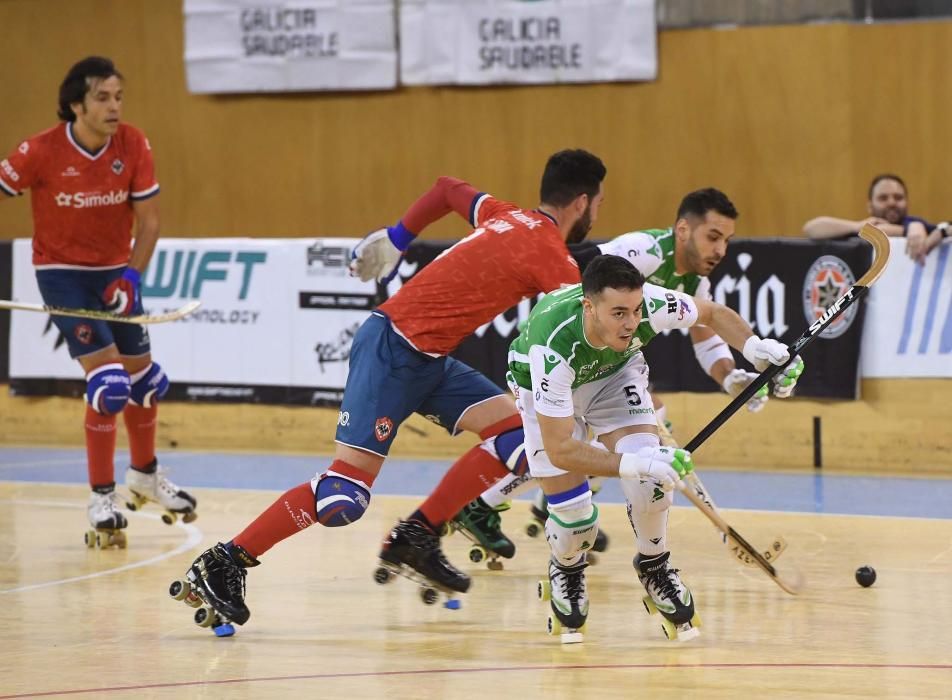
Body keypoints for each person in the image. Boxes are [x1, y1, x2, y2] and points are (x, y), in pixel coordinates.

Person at [178, 149, 607, 627]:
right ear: (583, 202)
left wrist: (398, 237)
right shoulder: (551, 254)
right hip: (391, 348)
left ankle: (417, 535)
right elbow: (588, 327)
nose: (597, 214)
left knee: (518, 439)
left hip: (429, 359)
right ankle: (226, 560)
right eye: (599, 205)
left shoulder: (506, 216)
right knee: (344, 496)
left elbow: (446, 187)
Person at [453, 188, 803, 559]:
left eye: (726, 241)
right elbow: (584, 285)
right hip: (567, 354)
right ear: (683, 230)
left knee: (633, 429)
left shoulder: (695, 281)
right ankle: (496, 501)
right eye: (712, 237)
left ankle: (527, 502)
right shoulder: (643, 252)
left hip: (608, 365)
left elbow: (707, 338)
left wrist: (732, 376)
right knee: (568, 443)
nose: (720, 250)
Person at [509, 254, 800, 643]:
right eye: (618, 313)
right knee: (576, 522)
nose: (631, 323)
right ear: (589, 307)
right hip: (542, 389)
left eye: (636, 310)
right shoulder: (554, 345)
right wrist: (632, 462)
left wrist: (754, 346)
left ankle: (655, 564)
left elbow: (711, 313)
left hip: (613, 377)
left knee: (652, 483)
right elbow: (561, 449)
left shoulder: (651, 307)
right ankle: (567, 567)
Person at [0, 57, 196, 548]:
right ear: (76, 106)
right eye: (103, 98)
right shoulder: (38, 151)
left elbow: (149, 223)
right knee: (109, 385)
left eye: (118, 96)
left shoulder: (133, 143)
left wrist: (132, 274)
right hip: (62, 277)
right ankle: (100, 498)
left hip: (115, 273)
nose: (114, 107)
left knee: (145, 383)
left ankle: (145, 475)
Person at [802, 174, 940, 263]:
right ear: (870, 206)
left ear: (907, 202)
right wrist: (856, 226)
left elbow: (941, 232)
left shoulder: (916, 224)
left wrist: (909, 229)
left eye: (898, 197)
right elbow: (811, 229)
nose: (892, 202)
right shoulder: (863, 228)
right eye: (883, 198)